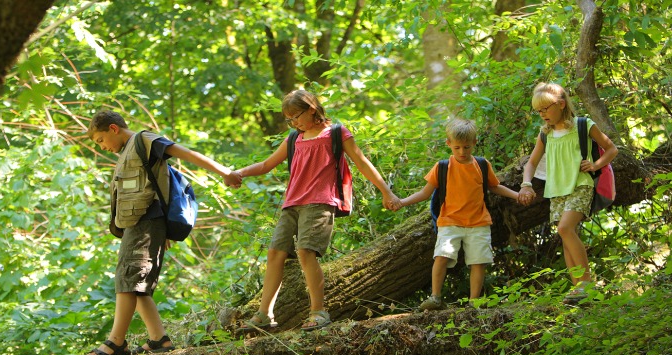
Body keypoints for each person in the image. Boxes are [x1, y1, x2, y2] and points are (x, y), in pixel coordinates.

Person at [226, 89, 400, 331]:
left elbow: (362, 162)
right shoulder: (294, 139)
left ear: (311, 109)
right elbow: (266, 164)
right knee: (275, 252)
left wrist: (386, 192)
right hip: (292, 203)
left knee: (306, 251)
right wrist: (239, 173)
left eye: (296, 116)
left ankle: (319, 312)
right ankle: (265, 314)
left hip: (320, 201)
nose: (294, 123)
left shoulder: (336, 133)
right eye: (289, 119)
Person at [82, 110, 241, 355]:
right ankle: (159, 339)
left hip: (146, 222)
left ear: (113, 128)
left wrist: (224, 172)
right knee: (136, 282)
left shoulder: (144, 140)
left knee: (129, 279)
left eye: (101, 140)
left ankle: (116, 342)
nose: (102, 147)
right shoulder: (127, 152)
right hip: (138, 224)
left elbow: (185, 153)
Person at [393, 118, 519, 310]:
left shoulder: (482, 165)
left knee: (478, 261)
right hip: (449, 222)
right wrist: (402, 202)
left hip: (478, 222)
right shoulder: (442, 167)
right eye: (457, 147)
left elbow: (495, 187)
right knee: (441, 256)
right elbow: (425, 193)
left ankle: (474, 301)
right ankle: (435, 297)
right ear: (448, 143)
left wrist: (517, 195)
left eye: (466, 147)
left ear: (474, 143)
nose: (462, 152)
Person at [517, 82, 618, 304]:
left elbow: (612, 149)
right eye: (538, 111)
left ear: (561, 104)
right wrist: (526, 184)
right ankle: (578, 291)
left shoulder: (583, 125)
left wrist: (595, 164)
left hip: (581, 184)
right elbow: (531, 163)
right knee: (565, 235)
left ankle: (586, 284)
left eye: (545, 109)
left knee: (565, 228)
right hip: (557, 190)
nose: (542, 115)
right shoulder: (545, 134)